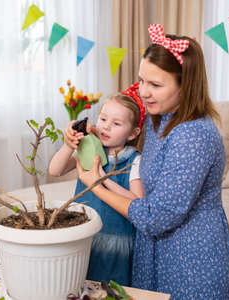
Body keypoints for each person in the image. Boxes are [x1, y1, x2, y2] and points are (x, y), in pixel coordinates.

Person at [74, 24, 229, 299]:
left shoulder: (193, 135)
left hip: (192, 263)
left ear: (185, 86)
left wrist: (96, 186)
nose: (143, 92)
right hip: (155, 255)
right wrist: (84, 134)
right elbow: (118, 134)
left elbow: (155, 217)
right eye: (142, 80)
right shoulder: (157, 119)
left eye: (156, 84)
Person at [48, 88, 146, 286]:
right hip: (84, 235)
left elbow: (138, 204)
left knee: (111, 289)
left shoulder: (135, 161)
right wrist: (69, 145)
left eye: (116, 123)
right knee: (81, 285)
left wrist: (102, 179)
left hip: (115, 245)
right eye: (102, 119)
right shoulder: (90, 149)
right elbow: (55, 170)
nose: (106, 127)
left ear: (133, 133)